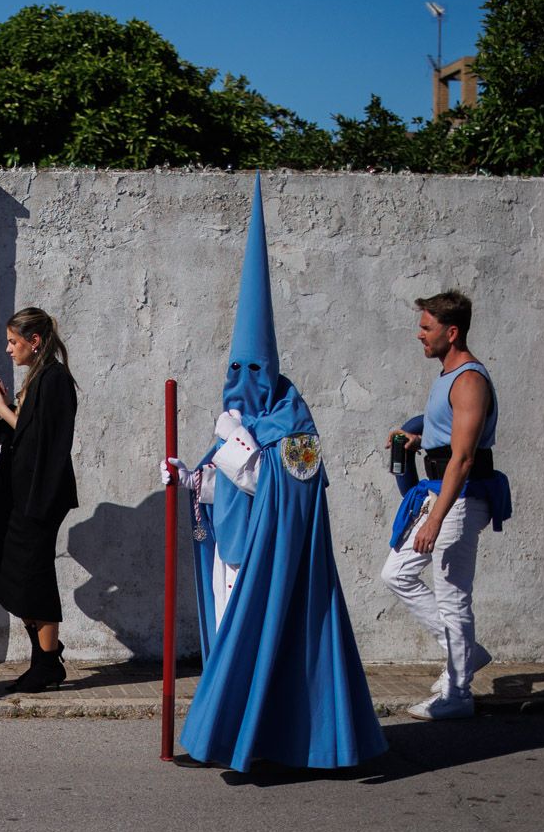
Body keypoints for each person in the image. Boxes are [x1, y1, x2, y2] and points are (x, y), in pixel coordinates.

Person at [159, 177, 385, 771]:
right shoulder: (237, 414)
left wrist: (233, 446)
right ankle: (227, 740)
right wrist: (190, 478)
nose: (242, 374)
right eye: (235, 364)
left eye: (253, 365)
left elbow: (284, 491)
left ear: (274, 367)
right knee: (232, 648)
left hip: (278, 563)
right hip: (233, 557)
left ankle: (260, 745)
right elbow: (226, 489)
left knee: (261, 650)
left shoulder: (293, 419)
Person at [381, 290, 512, 720]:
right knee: (396, 573)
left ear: (451, 332)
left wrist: (435, 520)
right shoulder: (446, 376)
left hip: (460, 496)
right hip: (439, 489)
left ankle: (458, 694)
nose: (419, 334)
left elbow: (465, 456)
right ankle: (466, 653)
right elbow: (448, 440)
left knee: (454, 596)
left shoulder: (470, 380)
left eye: (426, 327)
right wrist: (420, 440)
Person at [0, 307, 78, 693]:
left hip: (42, 495)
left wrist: (4, 411)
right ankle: (46, 654)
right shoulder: (38, 378)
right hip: (23, 492)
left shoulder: (55, 380)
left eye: (14, 341)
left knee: (34, 575)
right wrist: (2, 411)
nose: (9, 348)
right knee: (10, 570)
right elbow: (29, 430)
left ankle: (47, 663)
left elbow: (44, 441)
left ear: (35, 341)